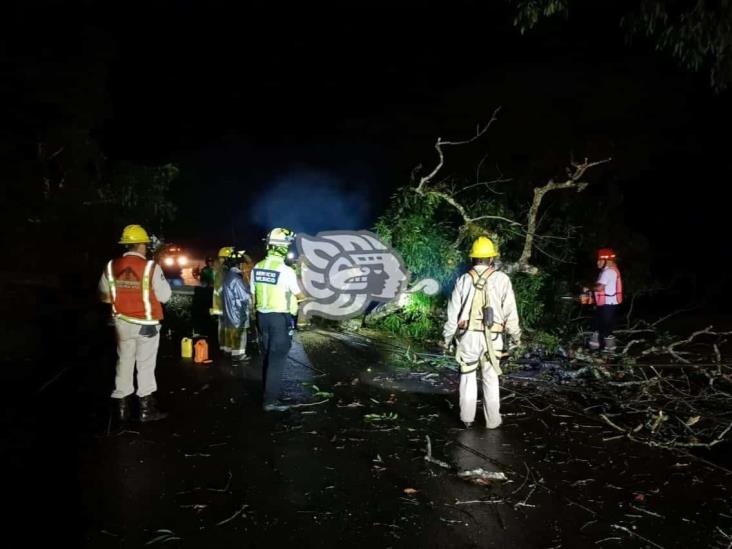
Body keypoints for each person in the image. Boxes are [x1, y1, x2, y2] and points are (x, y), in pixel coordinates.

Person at [442, 236, 522, 429]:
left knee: (468, 376)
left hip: (467, 337)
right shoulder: (502, 279)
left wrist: (446, 339)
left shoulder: (463, 280)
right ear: (491, 259)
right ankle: (492, 421)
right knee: (490, 378)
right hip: (493, 338)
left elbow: (452, 314)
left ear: (473, 258)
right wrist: (515, 337)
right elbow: (511, 312)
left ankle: (467, 418)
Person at [98, 224, 171, 423]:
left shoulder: (111, 266)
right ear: (140, 245)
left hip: (121, 323)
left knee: (124, 362)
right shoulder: (150, 267)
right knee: (145, 365)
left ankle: (122, 409)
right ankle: (146, 410)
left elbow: (104, 295)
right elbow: (165, 296)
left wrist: (123, 298)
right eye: (145, 244)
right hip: (146, 325)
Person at [250, 228, 305, 412]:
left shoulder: (257, 267)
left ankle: (267, 391)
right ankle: (270, 401)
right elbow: (299, 295)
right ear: (283, 247)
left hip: (261, 318)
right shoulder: (285, 270)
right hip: (278, 319)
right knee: (277, 359)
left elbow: (253, 294)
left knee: (268, 355)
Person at [586, 248, 623, 352]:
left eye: (600, 260)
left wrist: (588, 287)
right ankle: (602, 351)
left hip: (608, 304)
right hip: (608, 304)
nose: (597, 262)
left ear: (606, 260)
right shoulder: (610, 270)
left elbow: (599, 288)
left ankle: (602, 352)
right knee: (601, 327)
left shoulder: (608, 272)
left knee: (603, 329)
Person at [222, 251, 251, 361]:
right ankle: (239, 355)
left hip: (230, 310)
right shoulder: (237, 279)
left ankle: (231, 352)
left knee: (232, 332)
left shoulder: (228, 276)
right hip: (237, 311)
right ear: (238, 264)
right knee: (240, 332)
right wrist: (249, 290)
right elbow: (244, 296)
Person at [210, 246, 234, 353]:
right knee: (227, 326)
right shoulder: (224, 270)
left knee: (222, 326)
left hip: (219, 303)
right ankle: (227, 347)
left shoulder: (218, 269)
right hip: (224, 303)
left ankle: (223, 346)